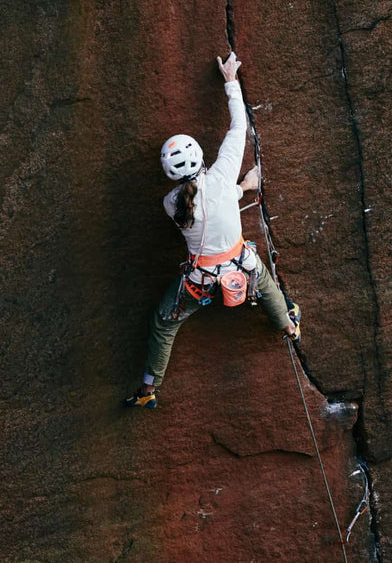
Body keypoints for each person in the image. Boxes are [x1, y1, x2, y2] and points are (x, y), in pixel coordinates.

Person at [124, 52, 300, 410]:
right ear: (200, 155)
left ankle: (147, 389)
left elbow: (201, 204)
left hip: (199, 280)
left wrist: (239, 189)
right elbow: (239, 129)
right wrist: (230, 80)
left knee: (163, 323)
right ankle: (287, 325)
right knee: (263, 279)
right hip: (241, 266)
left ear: (169, 174)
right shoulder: (220, 176)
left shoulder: (171, 204)